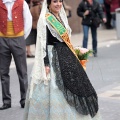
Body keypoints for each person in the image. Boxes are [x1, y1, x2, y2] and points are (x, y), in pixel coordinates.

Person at [23, 0, 102, 120]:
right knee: (55, 89)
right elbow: (42, 43)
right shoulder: (45, 19)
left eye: (60, 1)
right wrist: (45, 64)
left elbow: (65, 40)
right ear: (49, 3)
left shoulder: (61, 16)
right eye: (55, 1)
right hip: (51, 55)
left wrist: (75, 50)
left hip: (66, 56)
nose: (58, 4)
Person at [0, 0, 32, 110]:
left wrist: (22, 37)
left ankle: (24, 99)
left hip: (18, 38)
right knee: (3, 71)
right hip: (2, 39)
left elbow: (28, 20)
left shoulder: (21, 3)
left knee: (22, 71)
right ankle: (6, 101)